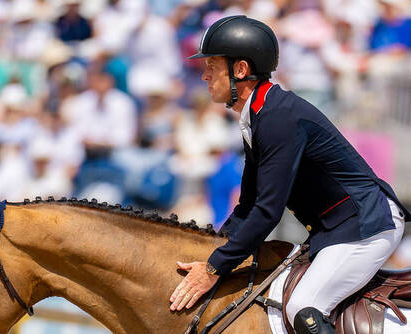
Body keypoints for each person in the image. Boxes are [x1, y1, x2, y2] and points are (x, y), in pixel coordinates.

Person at [168, 15, 410, 334]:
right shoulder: (259, 115)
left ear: (240, 70)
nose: (204, 75)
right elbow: (248, 207)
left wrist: (214, 268)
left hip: (364, 226)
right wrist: (209, 254)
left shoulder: (277, 117)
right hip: (336, 229)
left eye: (211, 65)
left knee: (303, 306)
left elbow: (268, 212)